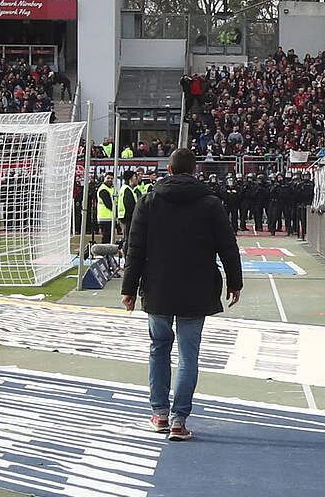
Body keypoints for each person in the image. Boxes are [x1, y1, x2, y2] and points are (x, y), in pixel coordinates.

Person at [121, 148, 243, 442]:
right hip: (197, 289)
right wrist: (234, 282)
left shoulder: (148, 201)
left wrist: (128, 289)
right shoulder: (210, 203)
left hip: (158, 287)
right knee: (189, 355)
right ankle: (179, 420)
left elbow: (134, 249)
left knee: (158, 349)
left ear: (170, 170)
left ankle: (159, 413)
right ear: (195, 171)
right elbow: (228, 246)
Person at [118, 169, 140, 238]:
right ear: (130, 179)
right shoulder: (127, 190)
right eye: (135, 177)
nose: (136, 179)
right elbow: (129, 205)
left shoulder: (126, 188)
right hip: (127, 217)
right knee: (128, 238)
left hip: (124, 216)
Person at [97, 172, 116, 245]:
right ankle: (104, 254)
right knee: (106, 238)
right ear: (104, 178)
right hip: (105, 217)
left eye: (111, 178)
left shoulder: (111, 189)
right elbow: (109, 204)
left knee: (109, 238)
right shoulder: (103, 189)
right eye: (108, 178)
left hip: (110, 217)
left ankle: (107, 254)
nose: (110, 180)